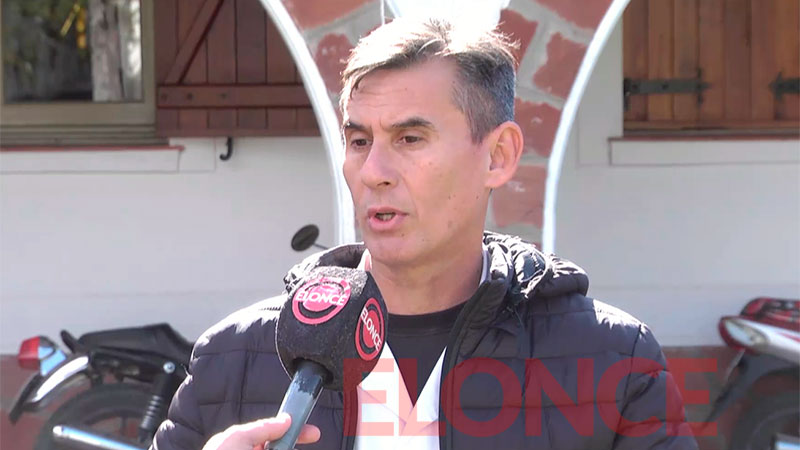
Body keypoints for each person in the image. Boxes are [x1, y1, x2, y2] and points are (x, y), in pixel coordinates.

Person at [151, 16, 698, 450]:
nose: (373, 172)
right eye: (359, 141)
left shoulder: (613, 361)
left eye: (410, 139)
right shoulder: (234, 358)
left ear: (498, 155)